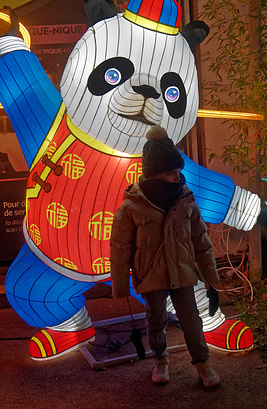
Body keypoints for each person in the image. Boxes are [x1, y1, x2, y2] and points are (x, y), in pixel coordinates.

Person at [110, 125, 221, 388]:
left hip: (183, 272)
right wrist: (119, 285)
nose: (177, 177)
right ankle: (160, 360)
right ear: (154, 172)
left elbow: (201, 241)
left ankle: (203, 363)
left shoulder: (186, 200)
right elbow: (120, 247)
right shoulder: (131, 206)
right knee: (155, 320)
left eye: (178, 171)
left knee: (192, 320)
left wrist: (209, 275)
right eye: (171, 172)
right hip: (149, 275)